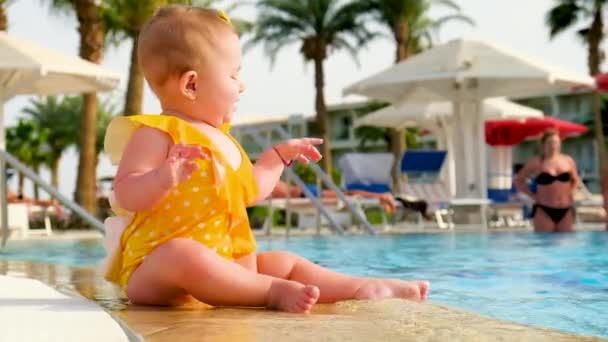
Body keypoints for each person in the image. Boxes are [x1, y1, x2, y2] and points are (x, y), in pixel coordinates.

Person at [103, 5, 429, 314]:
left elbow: (251, 191)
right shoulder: (157, 133)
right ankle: (269, 292)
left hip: (227, 264)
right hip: (157, 271)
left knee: (282, 262)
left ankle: (361, 288)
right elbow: (125, 191)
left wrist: (274, 159)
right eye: (233, 75)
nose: (242, 85)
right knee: (183, 254)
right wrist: (164, 178)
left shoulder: (223, 139)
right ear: (192, 84)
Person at [514, 129, 579, 232]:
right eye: (550, 142)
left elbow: (575, 180)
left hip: (565, 208)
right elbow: (518, 181)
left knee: (567, 245)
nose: (553, 145)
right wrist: (532, 195)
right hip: (544, 209)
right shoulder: (536, 162)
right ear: (543, 144)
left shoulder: (568, 161)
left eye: (556, 142)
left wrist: (572, 192)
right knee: (545, 244)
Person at [271, 180, 431, 218]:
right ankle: (385, 197)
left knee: (351, 194)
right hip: (304, 192)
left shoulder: (258, 176)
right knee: (351, 193)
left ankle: (384, 196)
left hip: (305, 194)